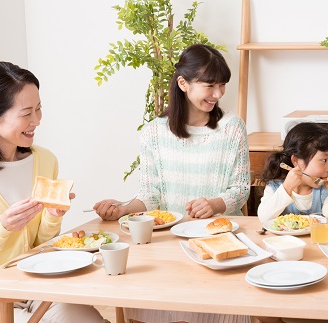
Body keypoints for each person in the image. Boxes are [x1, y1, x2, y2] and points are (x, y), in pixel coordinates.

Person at [93, 44, 252, 323]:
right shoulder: (154, 132)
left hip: (218, 243)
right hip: (168, 245)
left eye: (222, 85)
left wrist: (215, 204)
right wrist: (121, 208)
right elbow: (150, 196)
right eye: (210, 85)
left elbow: (240, 189)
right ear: (183, 83)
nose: (218, 94)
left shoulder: (232, 128)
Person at [0, 62, 106, 323]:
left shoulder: (45, 160)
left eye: (38, 109)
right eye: (26, 113)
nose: (36, 121)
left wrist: (53, 216)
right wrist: (3, 226)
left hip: (36, 284)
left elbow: (37, 244)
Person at [257, 122, 328, 222]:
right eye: (324, 160)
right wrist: (286, 188)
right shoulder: (275, 186)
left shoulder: (326, 190)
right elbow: (264, 218)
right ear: (296, 161)